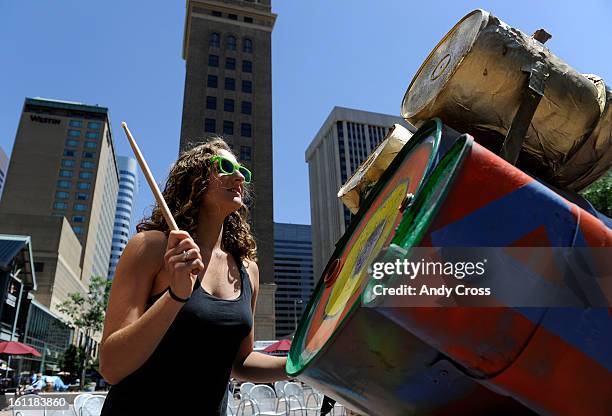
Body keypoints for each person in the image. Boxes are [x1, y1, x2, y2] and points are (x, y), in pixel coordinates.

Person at [99, 138, 288, 415]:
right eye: (225, 166)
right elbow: (112, 367)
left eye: (242, 172)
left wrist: (301, 366)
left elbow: (241, 362)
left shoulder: (248, 270)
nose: (238, 177)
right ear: (195, 179)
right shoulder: (151, 248)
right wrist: (176, 295)